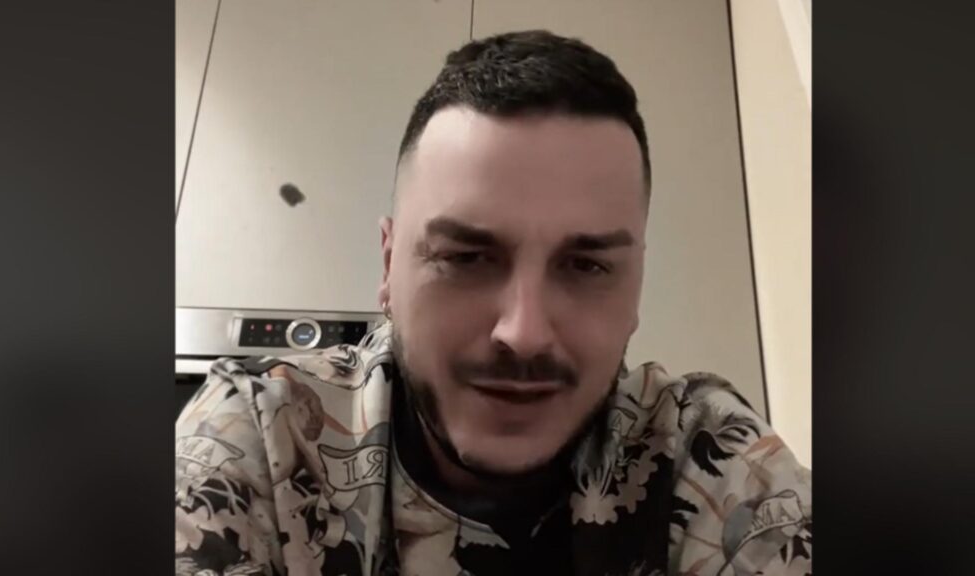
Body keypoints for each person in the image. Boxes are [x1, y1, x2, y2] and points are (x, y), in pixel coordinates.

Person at [175, 30, 812, 576]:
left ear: (636, 287)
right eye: (466, 257)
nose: (524, 332)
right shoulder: (262, 436)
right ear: (389, 265)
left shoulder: (706, 459)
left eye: (586, 265)